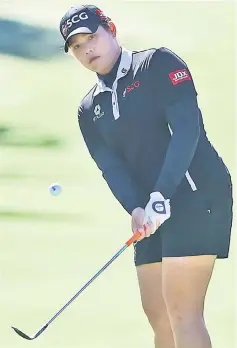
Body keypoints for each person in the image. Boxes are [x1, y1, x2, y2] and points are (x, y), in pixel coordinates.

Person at [59, 5, 233, 348]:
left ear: (111, 29)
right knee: (159, 315)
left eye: (92, 37)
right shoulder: (88, 109)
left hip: (196, 194)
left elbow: (186, 130)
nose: (87, 49)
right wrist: (136, 208)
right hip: (150, 208)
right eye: (77, 46)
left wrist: (161, 194)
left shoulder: (158, 64)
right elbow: (111, 168)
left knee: (183, 312)